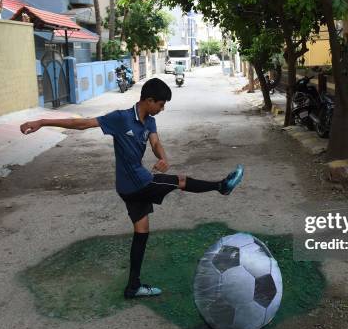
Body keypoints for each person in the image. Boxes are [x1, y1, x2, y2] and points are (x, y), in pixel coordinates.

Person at [19, 78, 244, 299]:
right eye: (161, 104)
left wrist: (163, 158)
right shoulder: (121, 118)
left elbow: (155, 143)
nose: (163, 108)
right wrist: (42, 122)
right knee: (181, 181)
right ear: (148, 100)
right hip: (138, 184)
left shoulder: (150, 121)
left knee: (142, 231)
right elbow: (82, 123)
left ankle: (133, 287)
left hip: (131, 187)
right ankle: (221, 186)